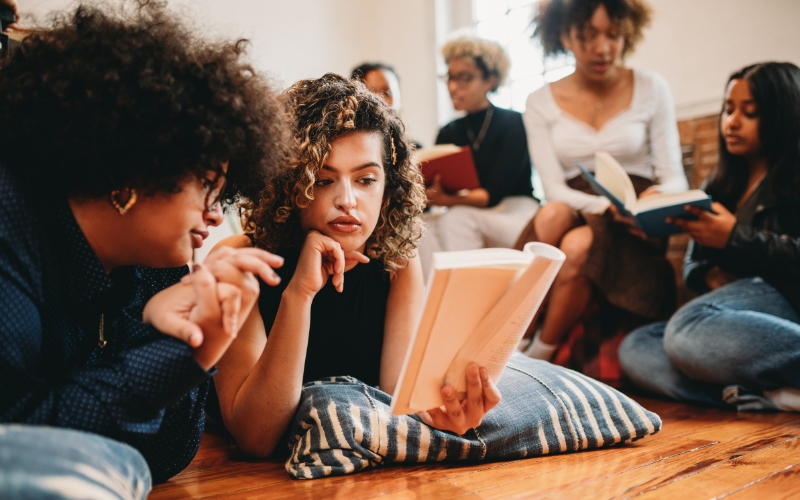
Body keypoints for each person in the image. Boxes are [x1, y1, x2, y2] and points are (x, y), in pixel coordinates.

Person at [0, 1, 289, 496]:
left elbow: (164, 455)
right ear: (130, 170)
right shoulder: (11, 222)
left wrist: (197, 340)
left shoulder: (156, 268)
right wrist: (174, 352)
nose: (216, 214)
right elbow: (27, 440)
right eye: (205, 184)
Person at [212, 73, 503, 457]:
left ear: (388, 186)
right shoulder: (240, 261)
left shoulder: (396, 261)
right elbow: (256, 437)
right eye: (322, 180)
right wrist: (298, 294)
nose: (347, 200)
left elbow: (398, 399)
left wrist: (447, 417)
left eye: (366, 179)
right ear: (287, 184)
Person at [619, 62, 800, 411]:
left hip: (783, 301)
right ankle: (769, 396)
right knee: (638, 346)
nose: (732, 122)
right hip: (734, 309)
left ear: (783, 115)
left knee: (686, 328)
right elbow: (694, 263)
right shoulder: (720, 187)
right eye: (728, 110)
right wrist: (707, 275)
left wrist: (735, 238)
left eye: (750, 113)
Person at [517, 0, 688, 361]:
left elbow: (675, 178)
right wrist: (605, 205)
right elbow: (553, 190)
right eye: (588, 35)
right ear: (564, 34)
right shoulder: (539, 101)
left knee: (578, 246)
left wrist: (655, 200)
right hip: (580, 202)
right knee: (552, 216)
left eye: (613, 35)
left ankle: (537, 354)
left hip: (636, 220)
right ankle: (515, 335)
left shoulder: (651, 87)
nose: (602, 48)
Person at [417, 36, 538, 278]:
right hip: (466, 210)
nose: (453, 87)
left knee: (457, 219)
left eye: (465, 78)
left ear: (489, 80)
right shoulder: (448, 131)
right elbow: (435, 192)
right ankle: (430, 305)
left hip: (515, 212)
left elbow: (490, 195)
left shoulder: (513, 123)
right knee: (420, 227)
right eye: (450, 77)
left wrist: (445, 200)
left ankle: (465, 298)